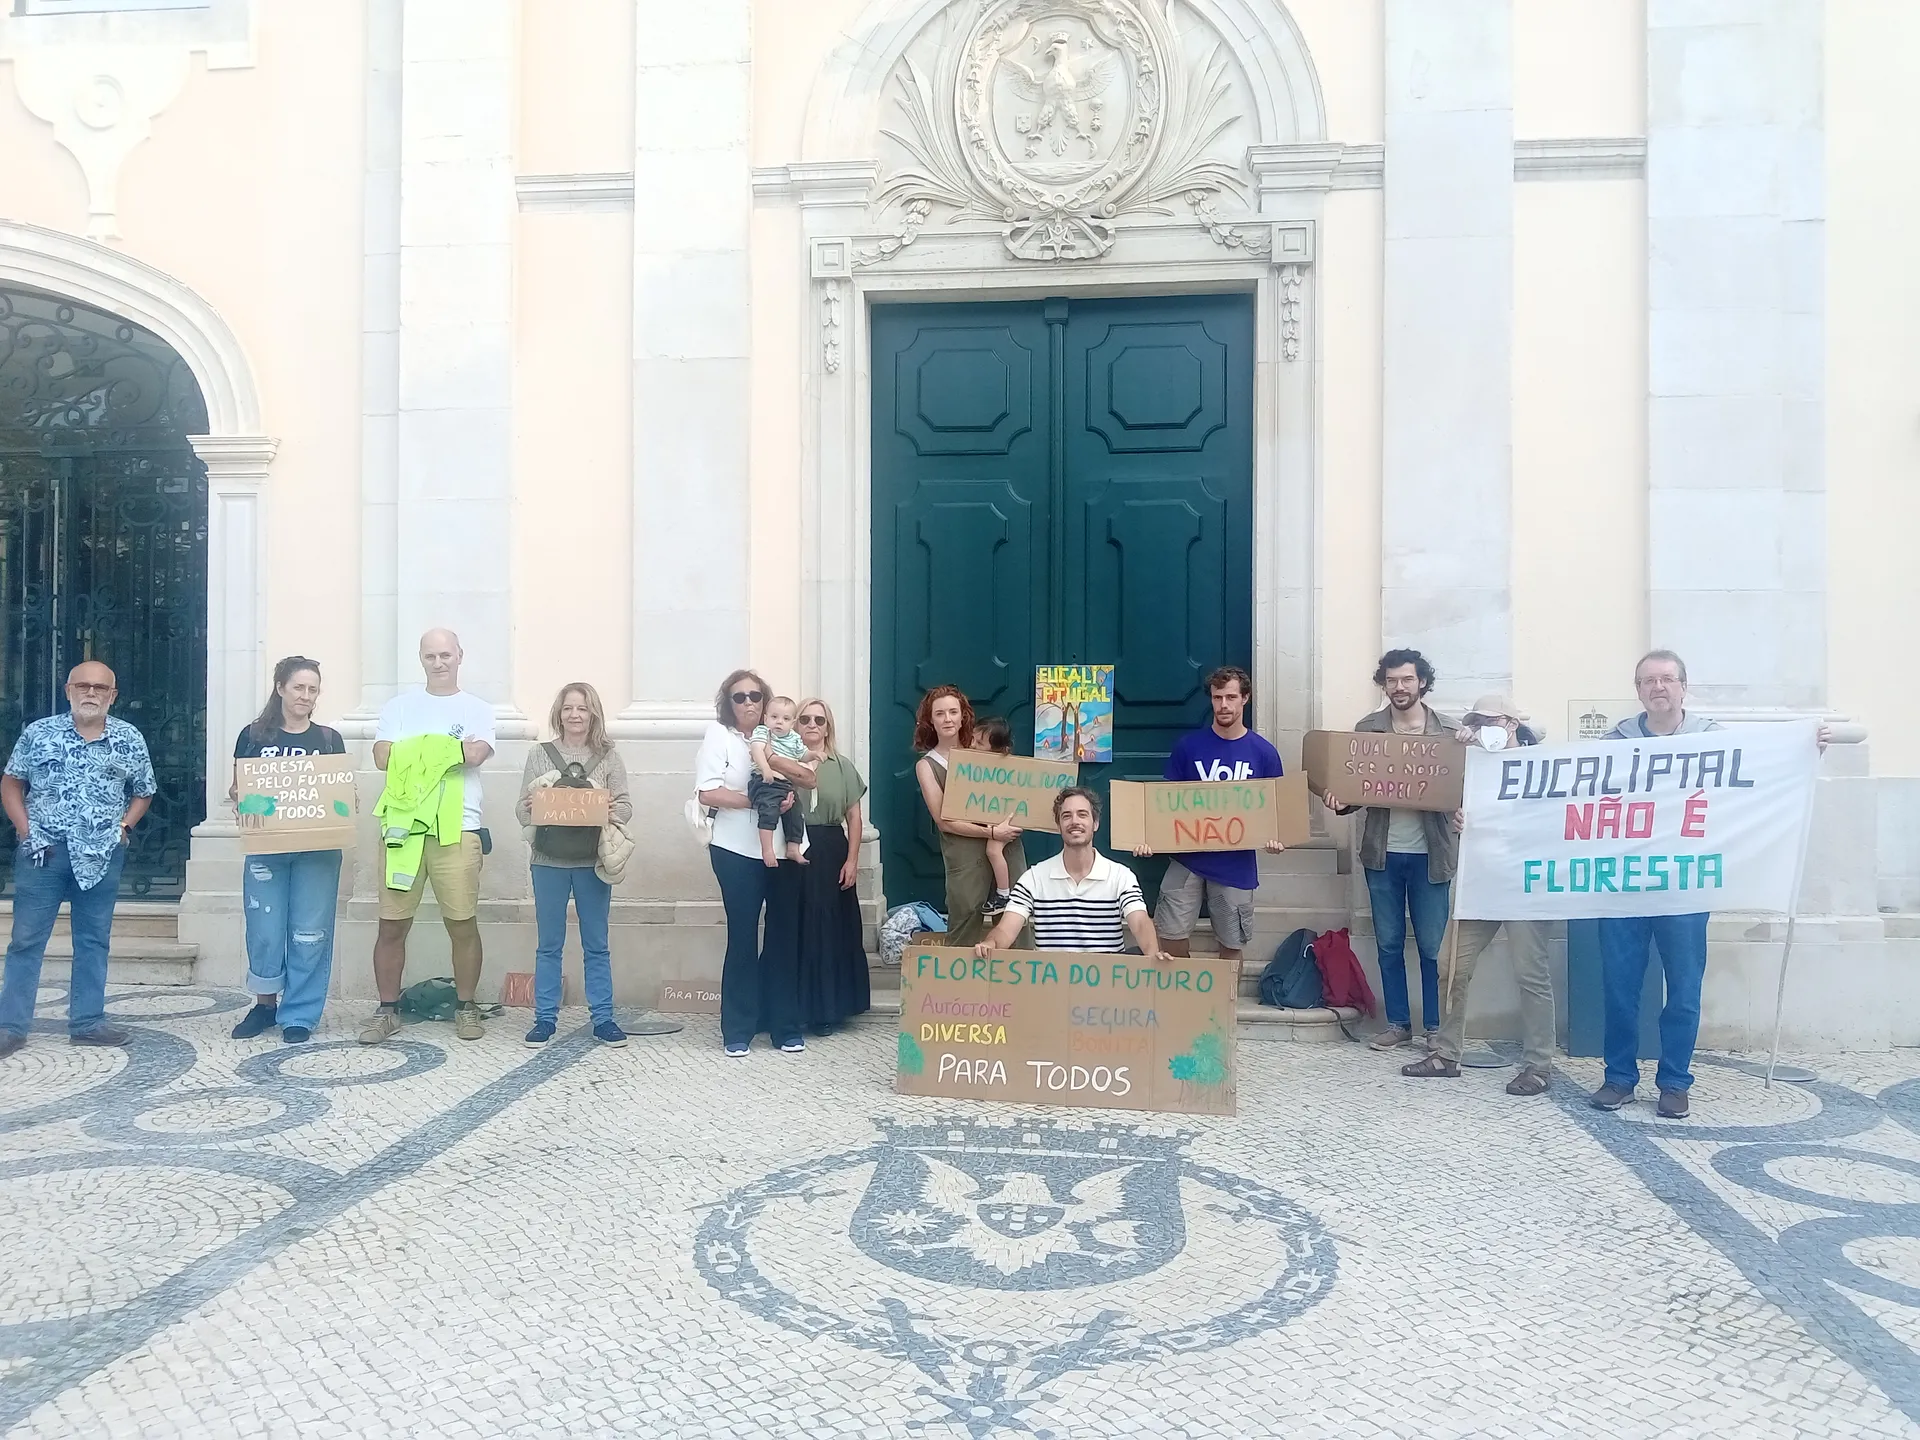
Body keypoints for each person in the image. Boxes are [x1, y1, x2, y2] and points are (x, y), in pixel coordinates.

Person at [1400, 695, 1556, 1094]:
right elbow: (1451, 803)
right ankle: (1447, 1052)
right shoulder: (1473, 765)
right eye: (1476, 720)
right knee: (1452, 965)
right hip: (1482, 881)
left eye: (1489, 721)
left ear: (1510, 723)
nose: (1482, 726)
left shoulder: (1546, 765)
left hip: (1525, 885)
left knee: (1530, 974)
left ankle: (1538, 1064)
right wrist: (1458, 814)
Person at [0, 661, 155, 1056]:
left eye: (100, 688)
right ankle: (11, 1027)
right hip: (43, 853)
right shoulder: (39, 734)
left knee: (93, 941)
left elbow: (144, 790)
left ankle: (87, 1023)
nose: (91, 694)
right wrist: (24, 829)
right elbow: (12, 782)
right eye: (83, 686)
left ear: (112, 696)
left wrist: (124, 826)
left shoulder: (129, 738)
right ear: (68, 689)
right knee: (26, 940)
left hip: (101, 855)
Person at [360, 629, 496, 1045]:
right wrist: (447, 749)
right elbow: (381, 757)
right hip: (402, 831)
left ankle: (467, 1006)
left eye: (445, 655)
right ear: (420, 659)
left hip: (458, 828)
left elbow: (476, 754)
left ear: (460, 656)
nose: (439, 663)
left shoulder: (478, 708)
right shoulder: (399, 706)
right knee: (391, 925)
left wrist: (413, 749)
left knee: (463, 923)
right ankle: (387, 1010)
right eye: (430, 656)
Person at [1329, 649, 1458, 1052]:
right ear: (1383, 684)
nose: (1398, 688)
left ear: (1422, 682)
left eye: (1406, 680)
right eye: (1391, 680)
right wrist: (1341, 801)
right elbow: (1357, 786)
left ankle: (1436, 1028)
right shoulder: (1368, 729)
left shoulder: (1448, 734)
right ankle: (1399, 1023)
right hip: (1382, 854)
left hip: (1432, 856)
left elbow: (1468, 787)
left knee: (1432, 946)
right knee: (1388, 942)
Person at [227, 657, 347, 1045]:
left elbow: (339, 797)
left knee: (310, 932)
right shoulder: (253, 736)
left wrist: (346, 801)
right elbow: (236, 788)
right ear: (280, 687)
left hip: (318, 851)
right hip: (267, 848)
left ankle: (301, 1013)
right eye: (299, 687)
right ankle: (264, 1005)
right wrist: (240, 797)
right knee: (264, 928)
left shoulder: (329, 739)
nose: (305, 696)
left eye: (313, 689)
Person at [1136, 666, 1287, 967]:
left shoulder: (1263, 753)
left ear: (1246, 698)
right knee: (1170, 935)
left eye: (1231, 697)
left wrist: (1276, 837)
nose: (1224, 705)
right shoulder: (1188, 747)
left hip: (1235, 863)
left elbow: (1278, 808)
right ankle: (1187, 995)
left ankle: (1225, 1005)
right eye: (1218, 697)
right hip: (1186, 858)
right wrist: (1148, 837)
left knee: (1232, 943)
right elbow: (1165, 804)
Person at [696, 669, 813, 1057]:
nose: (748, 702)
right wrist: (760, 800)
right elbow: (708, 792)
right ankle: (739, 1026)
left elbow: (809, 777)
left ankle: (783, 1024)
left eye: (755, 696)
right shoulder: (719, 737)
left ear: (766, 702)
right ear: (727, 704)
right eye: (739, 697)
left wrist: (786, 780)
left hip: (786, 844)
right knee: (743, 934)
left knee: (784, 935)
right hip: (735, 848)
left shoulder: (784, 736)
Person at [516, 682, 632, 1049]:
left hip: (592, 861)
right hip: (548, 861)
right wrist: (534, 806)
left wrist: (612, 808)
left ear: (593, 713)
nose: (575, 715)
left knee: (596, 943)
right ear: (559, 713)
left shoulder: (610, 757)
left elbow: (627, 808)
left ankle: (604, 1018)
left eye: (582, 708)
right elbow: (521, 810)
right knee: (549, 943)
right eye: (568, 708)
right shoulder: (540, 754)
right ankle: (544, 1019)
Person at [973, 787, 1166, 959]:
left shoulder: (1121, 876)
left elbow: (1140, 922)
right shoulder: (1034, 877)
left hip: (1106, 986)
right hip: (1052, 985)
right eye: (1067, 816)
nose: (1074, 821)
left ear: (1095, 824)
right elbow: (1007, 929)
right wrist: (991, 943)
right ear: (1059, 826)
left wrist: (1153, 954)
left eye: (1082, 814)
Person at [914, 686, 1029, 948]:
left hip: (1006, 847)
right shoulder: (927, 765)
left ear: (963, 715)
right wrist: (990, 833)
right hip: (964, 854)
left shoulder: (983, 747)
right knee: (964, 920)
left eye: (953, 712)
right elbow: (944, 821)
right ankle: (960, 989)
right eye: (940, 713)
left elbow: (1015, 784)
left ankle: (1016, 987)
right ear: (930, 720)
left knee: (1015, 917)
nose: (947, 719)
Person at [793, 698, 870, 1035]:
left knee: (829, 925)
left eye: (819, 720)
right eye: (805, 719)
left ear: (828, 727)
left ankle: (829, 1007)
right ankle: (793, 1006)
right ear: (795, 725)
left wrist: (852, 860)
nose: (812, 725)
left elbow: (854, 817)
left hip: (831, 848)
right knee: (795, 924)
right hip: (793, 845)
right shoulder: (785, 763)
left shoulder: (842, 766)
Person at [749, 697, 815, 867]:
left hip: (786, 785)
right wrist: (766, 770)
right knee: (769, 810)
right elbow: (757, 750)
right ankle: (767, 849)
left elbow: (803, 755)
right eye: (774, 717)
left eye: (785, 719)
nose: (779, 722)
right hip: (765, 782)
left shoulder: (794, 738)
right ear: (765, 718)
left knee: (796, 814)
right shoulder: (764, 732)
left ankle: (793, 848)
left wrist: (815, 755)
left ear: (792, 723)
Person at [971, 716, 1015, 918]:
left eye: (979, 743)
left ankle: (1003, 895)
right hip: (994, 814)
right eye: (972, 739)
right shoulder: (977, 764)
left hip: (1007, 818)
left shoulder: (1006, 767)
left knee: (993, 850)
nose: (972, 745)